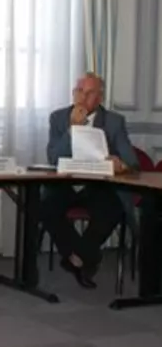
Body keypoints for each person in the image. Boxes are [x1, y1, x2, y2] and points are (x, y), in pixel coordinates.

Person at [41, 72, 138, 289]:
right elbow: (53, 158)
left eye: (89, 93)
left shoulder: (114, 121)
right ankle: (87, 257)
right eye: (79, 92)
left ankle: (77, 258)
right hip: (66, 183)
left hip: (97, 186)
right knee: (46, 207)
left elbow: (131, 160)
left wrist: (120, 164)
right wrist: (72, 129)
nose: (83, 98)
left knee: (112, 208)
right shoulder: (58, 118)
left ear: (100, 97)